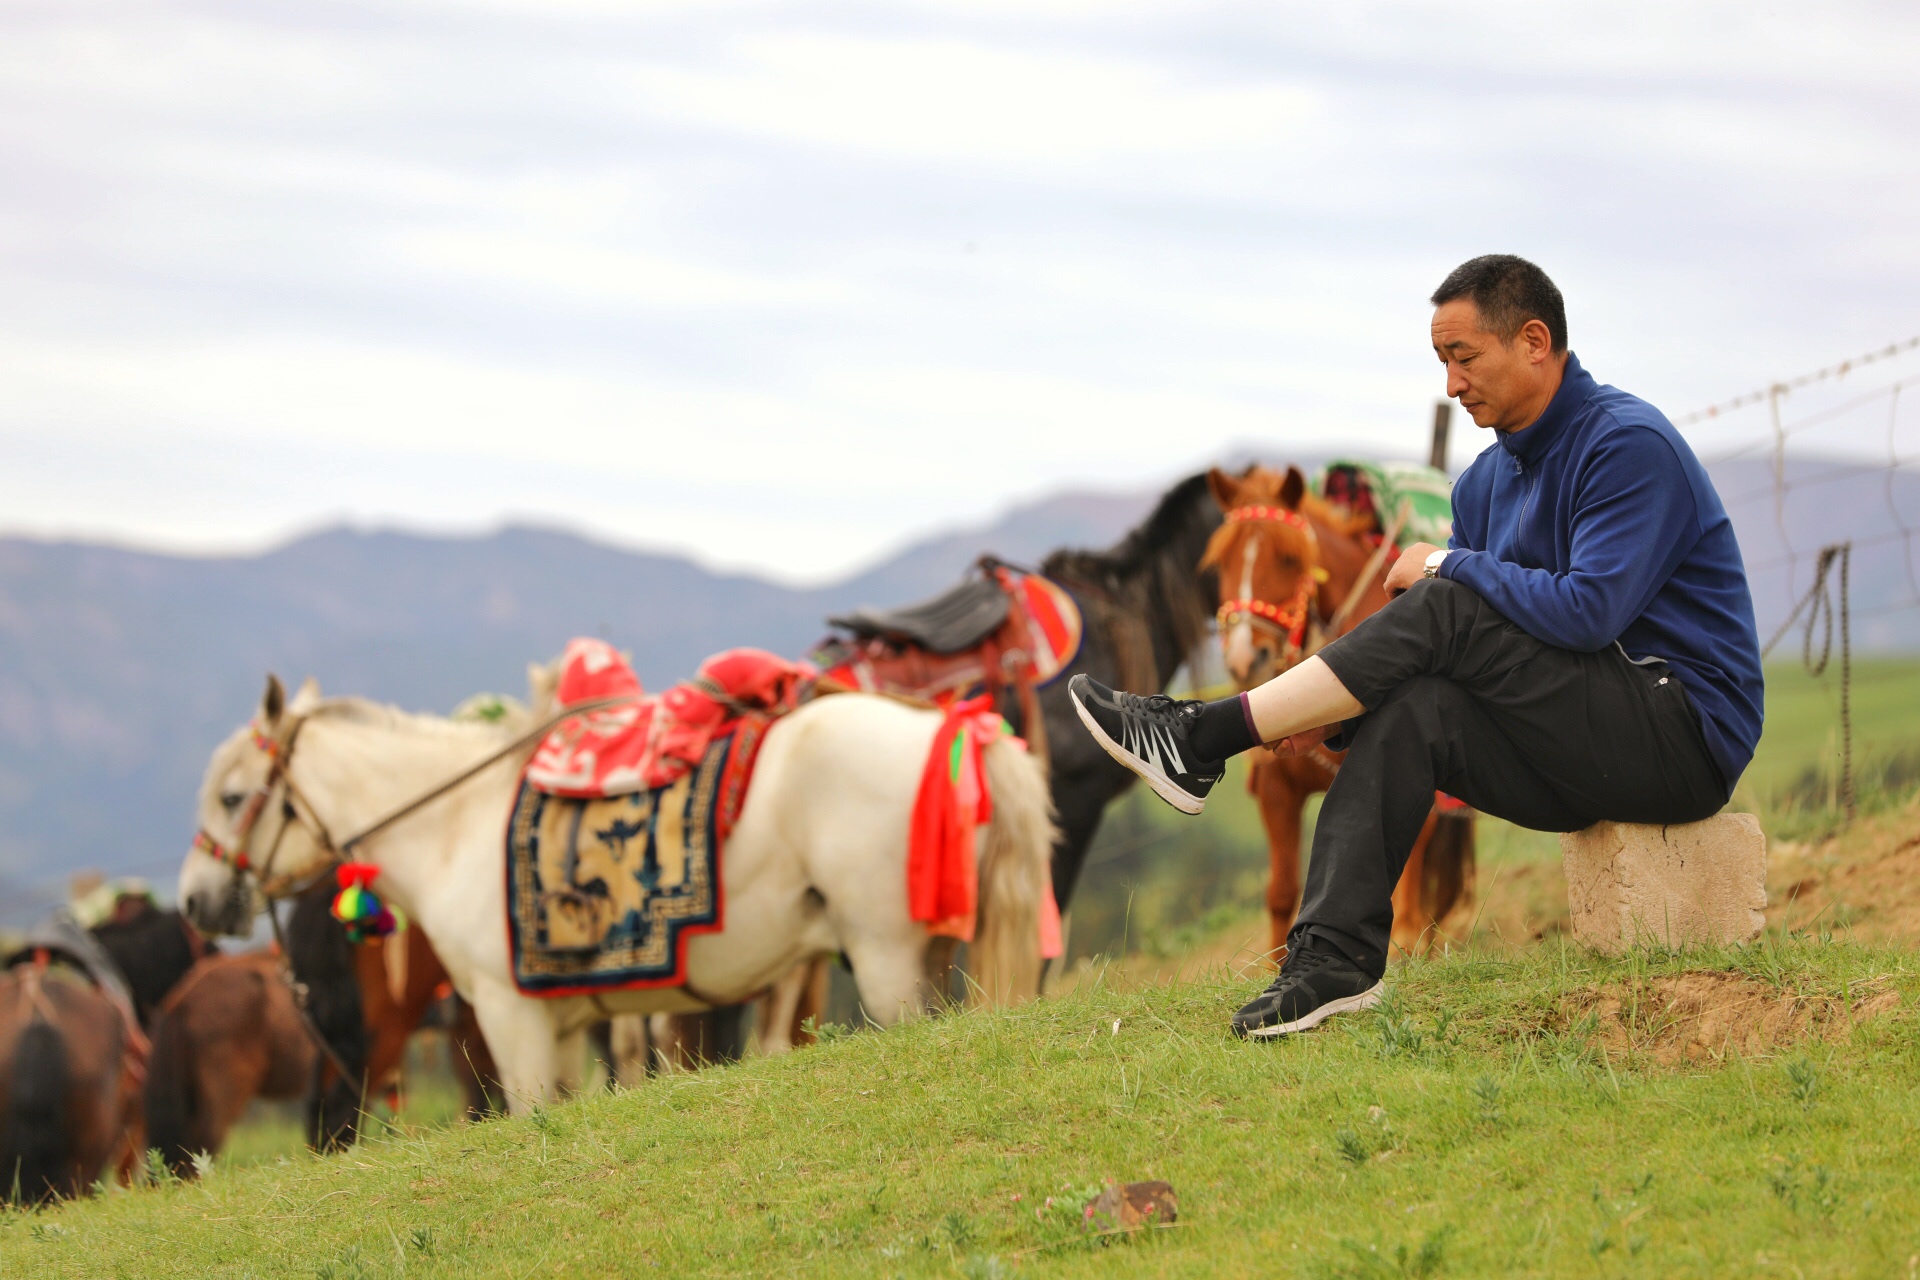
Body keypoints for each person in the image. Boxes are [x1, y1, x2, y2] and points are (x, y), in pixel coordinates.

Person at [1069, 254, 1763, 1039]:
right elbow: (1460, 661)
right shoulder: (1483, 483)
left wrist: (1442, 561)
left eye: (1464, 358)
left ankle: (1203, 735)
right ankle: (1333, 960)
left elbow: (1586, 614)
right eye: (1442, 362)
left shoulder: (1629, 446)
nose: (1451, 384)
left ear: (1534, 341)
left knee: (1446, 601)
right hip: (1576, 752)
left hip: (1680, 736)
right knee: (1420, 706)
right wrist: (1334, 716)